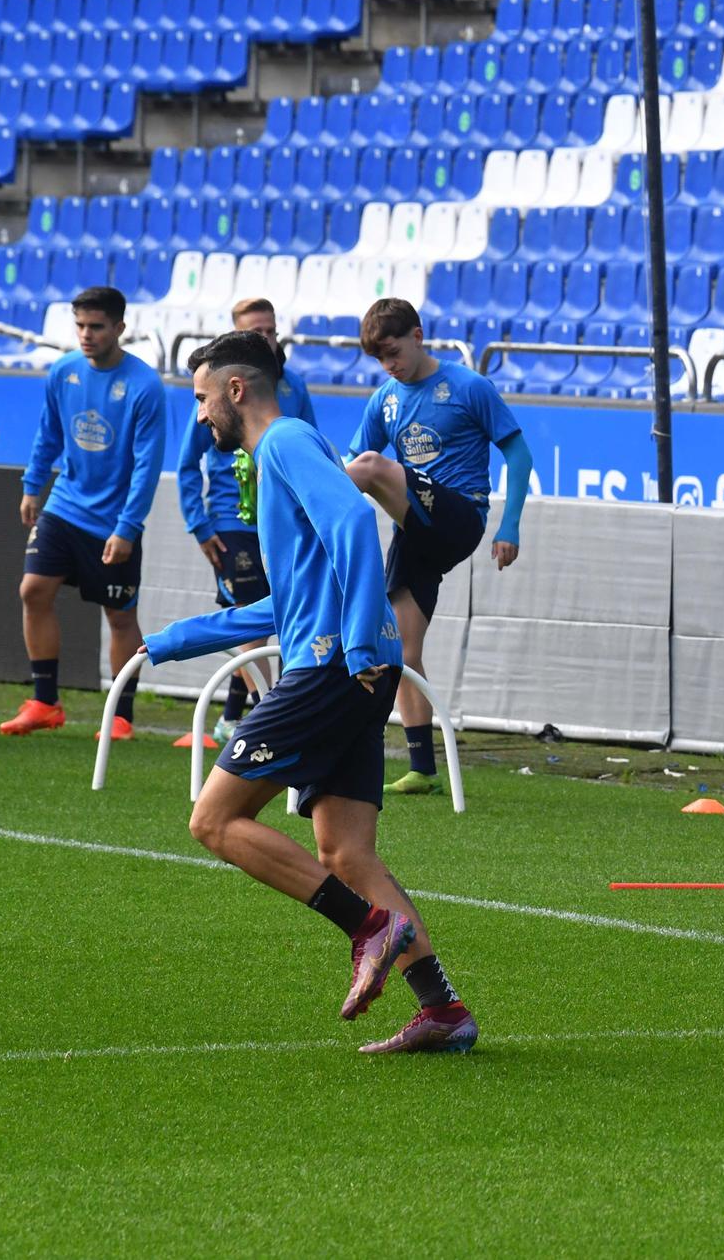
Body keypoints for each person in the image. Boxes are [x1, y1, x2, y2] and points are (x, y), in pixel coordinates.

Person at [142, 330, 476, 1054]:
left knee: (214, 821)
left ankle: (368, 927)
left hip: (334, 666)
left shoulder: (286, 441)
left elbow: (355, 518)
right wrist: (175, 639)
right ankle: (443, 1010)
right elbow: (287, 604)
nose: (198, 414)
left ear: (236, 390)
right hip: (350, 664)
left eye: (201, 398)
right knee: (347, 851)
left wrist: (356, 641)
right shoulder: (289, 451)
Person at [345, 298, 533, 796]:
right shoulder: (384, 399)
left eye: (393, 352)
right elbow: (353, 456)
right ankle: (423, 769)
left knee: (371, 467)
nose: (389, 365)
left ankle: (302, 517)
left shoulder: (468, 386)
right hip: (415, 532)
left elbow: (518, 453)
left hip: (459, 516)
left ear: (418, 336)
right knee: (399, 651)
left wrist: (510, 525)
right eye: (379, 359)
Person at [3, 287, 166, 739]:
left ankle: (120, 716)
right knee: (33, 590)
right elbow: (48, 434)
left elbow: (148, 465)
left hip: (114, 521)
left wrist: (128, 527)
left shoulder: (144, 386)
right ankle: (45, 701)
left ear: (120, 328)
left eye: (96, 326)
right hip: (65, 505)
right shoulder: (64, 371)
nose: (86, 335)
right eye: (80, 326)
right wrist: (33, 486)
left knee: (119, 616)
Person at [173, 299, 321, 750]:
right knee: (255, 621)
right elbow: (187, 463)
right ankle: (268, 713)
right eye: (257, 331)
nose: (267, 338)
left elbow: (312, 453)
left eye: (271, 330)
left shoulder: (291, 394)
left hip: (279, 522)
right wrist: (199, 525)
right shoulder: (216, 393)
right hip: (230, 520)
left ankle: (237, 716)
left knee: (272, 616)